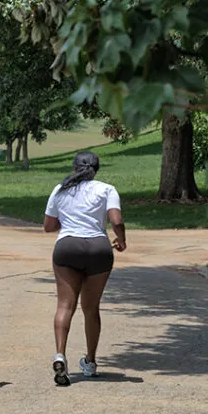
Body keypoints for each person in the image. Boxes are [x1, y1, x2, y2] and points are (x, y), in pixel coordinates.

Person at [44, 151, 126, 386]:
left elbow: (49, 226)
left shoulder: (60, 189)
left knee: (64, 306)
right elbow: (117, 221)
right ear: (97, 169)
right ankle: (90, 362)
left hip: (67, 247)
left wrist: (68, 220)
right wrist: (121, 240)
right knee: (91, 308)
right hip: (99, 248)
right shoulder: (107, 189)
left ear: (74, 167)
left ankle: (60, 355)